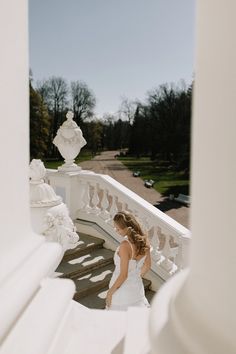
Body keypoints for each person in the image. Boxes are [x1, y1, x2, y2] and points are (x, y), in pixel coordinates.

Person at [106, 211, 151, 311]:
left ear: (127, 228)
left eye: (118, 229)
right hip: (136, 288)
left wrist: (110, 293)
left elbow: (123, 275)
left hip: (121, 292)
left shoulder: (125, 246)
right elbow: (147, 265)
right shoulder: (145, 241)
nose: (116, 231)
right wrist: (135, 277)